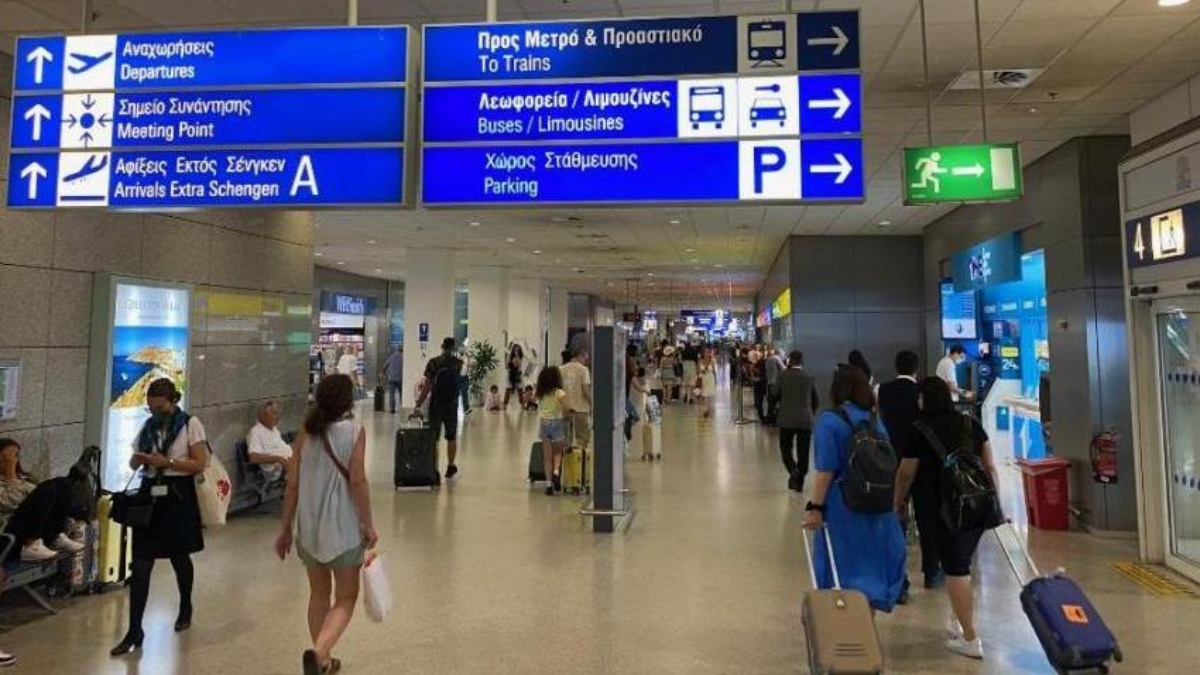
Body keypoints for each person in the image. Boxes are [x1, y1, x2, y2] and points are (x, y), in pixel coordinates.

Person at [274, 374, 378, 675]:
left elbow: (292, 485)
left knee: (318, 594)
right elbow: (357, 481)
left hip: (309, 529)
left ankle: (325, 661)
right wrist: (368, 524)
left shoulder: (306, 433)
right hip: (343, 529)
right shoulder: (354, 432)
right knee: (346, 598)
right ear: (348, 401)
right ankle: (319, 652)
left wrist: (285, 528)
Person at [894, 377, 999, 661]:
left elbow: (906, 473)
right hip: (976, 506)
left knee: (956, 569)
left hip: (940, 510)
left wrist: (898, 500)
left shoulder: (918, 430)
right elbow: (989, 466)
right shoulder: (970, 423)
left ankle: (970, 637)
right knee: (962, 565)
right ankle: (957, 622)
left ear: (924, 399)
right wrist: (995, 502)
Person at [112, 378, 209, 656]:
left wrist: (168, 462)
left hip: (177, 496)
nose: (154, 412)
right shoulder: (148, 427)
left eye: (159, 407)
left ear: (172, 401)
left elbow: (200, 463)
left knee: (179, 556)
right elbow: (133, 460)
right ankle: (134, 629)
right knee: (141, 564)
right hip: (150, 496)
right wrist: (139, 460)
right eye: (151, 408)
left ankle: (185, 605)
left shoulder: (190, 424)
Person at [803, 366, 906, 613]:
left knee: (841, 572)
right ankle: (864, 628)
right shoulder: (874, 420)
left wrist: (815, 508)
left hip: (843, 506)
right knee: (870, 575)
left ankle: (845, 627)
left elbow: (826, 470)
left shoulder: (829, 420)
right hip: (879, 506)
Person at [878, 351, 943, 591]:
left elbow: (879, 419)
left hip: (893, 458)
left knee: (897, 515)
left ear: (896, 367)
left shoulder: (882, 390)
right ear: (916, 369)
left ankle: (899, 580)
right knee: (927, 518)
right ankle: (931, 572)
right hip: (922, 461)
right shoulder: (922, 392)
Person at [0, 439, 86, 562]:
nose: (13, 459)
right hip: (11, 529)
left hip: (37, 524)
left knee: (63, 483)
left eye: (16, 455)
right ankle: (31, 543)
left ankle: (55, 537)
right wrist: (10, 477)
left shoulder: (26, 478)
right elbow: (7, 503)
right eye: (7, 455)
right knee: (48, 487)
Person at [416, 338, 464, 480]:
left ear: (442, 346)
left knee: (434, 438)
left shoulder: (433, 362)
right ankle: (450, 465)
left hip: (436, 404)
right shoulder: (458, 363)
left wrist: (418, 403)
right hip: (452, 404)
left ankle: (435, 470)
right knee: (451, 436)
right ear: (453, 347)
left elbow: (427, 386)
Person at [774, 352, 820, 492]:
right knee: (803, 451)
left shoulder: (782, 376)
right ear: (802, 362)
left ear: (789, 361)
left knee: (785, 448)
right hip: (805, 420)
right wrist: (810, 412)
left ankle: (793, 470)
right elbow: (816, 399)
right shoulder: (809, 377)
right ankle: (799, 482)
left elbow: (774, 394)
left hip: (786, 419)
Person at [535, 367, 569, 496]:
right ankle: (556, 472)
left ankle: (549, 485)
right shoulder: (559, 393)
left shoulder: (541, 393)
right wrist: (567, 414)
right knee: (558, 452)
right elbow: (567, 407)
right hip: (556, 423)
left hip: (544, 424)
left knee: (547, 457)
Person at [246, 401, 293, 482]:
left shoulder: (274, 429)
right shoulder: (255, 432)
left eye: (278, 413)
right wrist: (279, 459)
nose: (278, 417)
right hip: (277, 470)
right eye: (274, 413)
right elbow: (253, 457)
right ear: (263, 415)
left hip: (288, 463)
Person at [560, 346, 593, 456]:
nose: (586, 361)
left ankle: (567, 463)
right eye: (586, 359)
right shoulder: (583, 370)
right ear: (580, 355)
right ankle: (580, 463)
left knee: (566, 442)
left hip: (565, 410)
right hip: (581, 410)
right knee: (582, 440)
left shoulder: (561, 369)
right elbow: (586, 390)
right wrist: (593, 405)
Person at [764, 347, 786, 426]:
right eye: (783, 354)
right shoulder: (777, 358)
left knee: (771, 404)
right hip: (776, 384)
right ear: (780, 353)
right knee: (780, 403)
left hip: (769, 383)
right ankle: (778, 421)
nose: (784, 356)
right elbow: (784, 369)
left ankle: (769, 420)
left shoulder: (769, 359)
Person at [381, 345, 404, 414]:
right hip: (400, 379)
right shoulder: (403, 358)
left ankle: (392, 409)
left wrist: (382, 373)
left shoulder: (391, 357)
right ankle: (402, 407)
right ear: (402, 350)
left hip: (391, 378)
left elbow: (384, 366)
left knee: (392, 394)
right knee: (402, 394)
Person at [697, 348, 718, 420]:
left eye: (707, 352)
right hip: (703, 379)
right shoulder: (700, 361)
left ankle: (707, 409)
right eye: (705, 352)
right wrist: (699, 377)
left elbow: (714, 371)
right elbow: (698, 371)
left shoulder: (712, 361)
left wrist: (715, 379)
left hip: (710, 378)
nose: (706, 354)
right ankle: (704, 410)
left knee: (709, 395)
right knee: (703, 395)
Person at [503, 343, 525, 409]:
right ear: (513, 350)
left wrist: (517, 357)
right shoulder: (510, 356)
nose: (516, 351)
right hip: (510, 374)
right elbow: (507, 365)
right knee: (508, 390)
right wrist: (511, 360)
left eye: (518, 350)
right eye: (515, 350)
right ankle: (504, 405)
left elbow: (519, 364)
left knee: (520, 390)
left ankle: (522, 405)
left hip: (518, 374)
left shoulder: (521, 357)